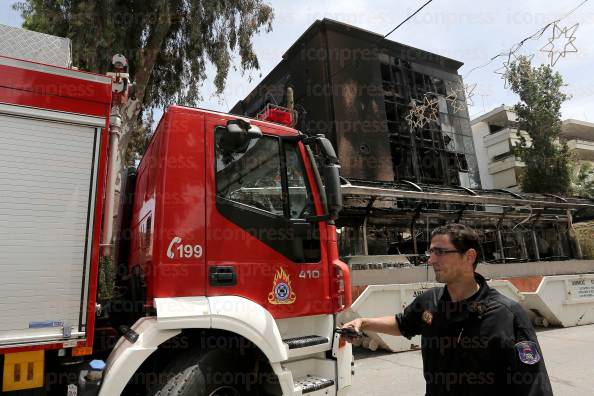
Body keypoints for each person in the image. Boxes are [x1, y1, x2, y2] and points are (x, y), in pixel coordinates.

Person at [341, 223, 553, 396]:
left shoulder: (508, 315)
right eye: (431, 252)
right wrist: (364, 323)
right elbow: (402, 323)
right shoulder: (430, 301)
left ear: (469, 257)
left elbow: (534, 385)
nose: (431, 260)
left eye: (440, 252)